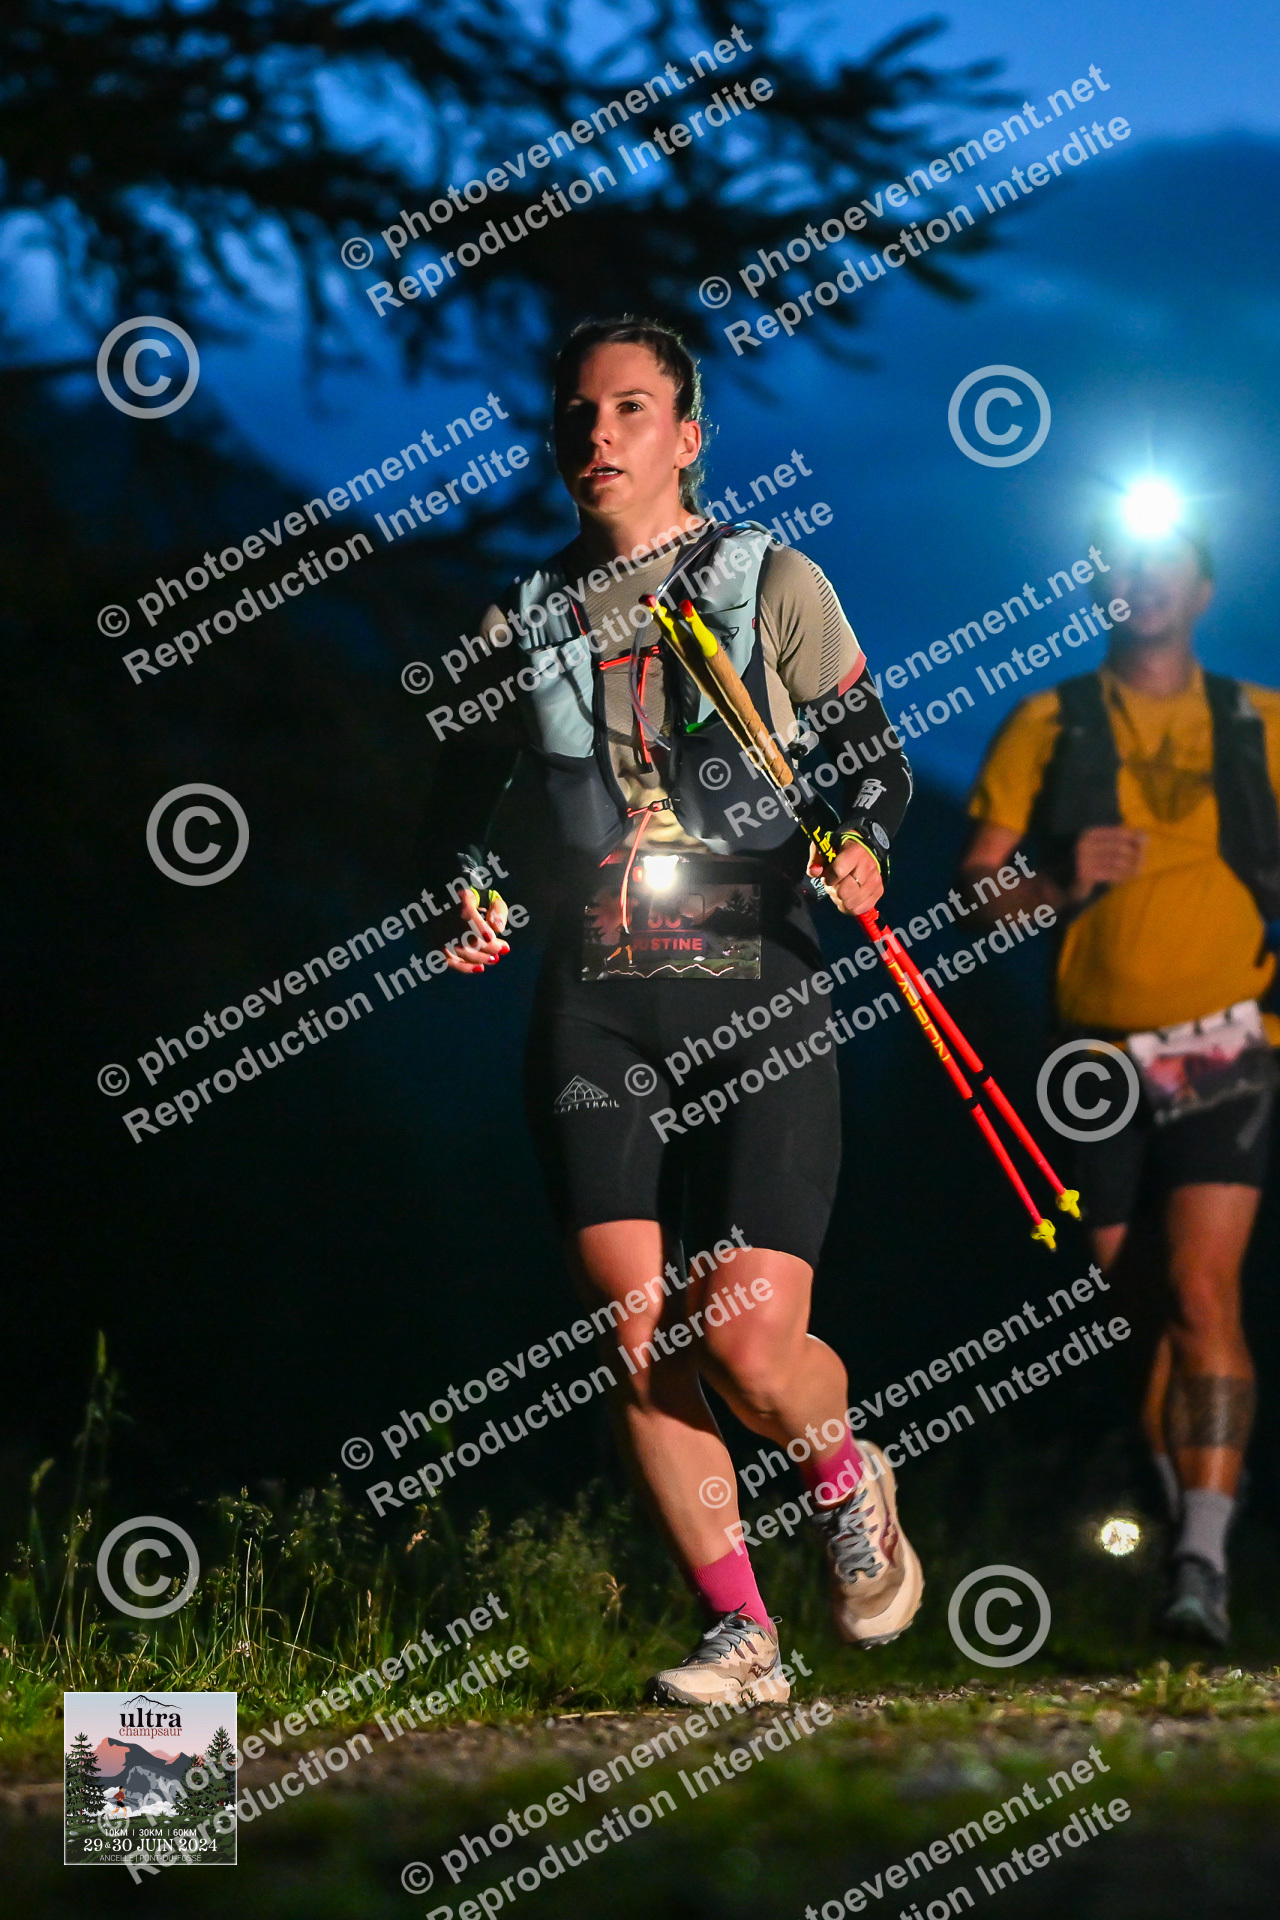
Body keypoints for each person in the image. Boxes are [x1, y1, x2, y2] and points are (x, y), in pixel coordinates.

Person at [422, 316, 922, 1706]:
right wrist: (463, 893)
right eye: (577, 414)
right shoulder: (518, 619)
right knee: (635, 1333)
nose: (597, 435)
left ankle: (845, 1476)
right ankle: (741, 1635)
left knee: (744, 1343)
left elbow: (875, 763)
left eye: (631, 409)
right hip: (596, 994)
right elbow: (462, 810)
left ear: (687, 436)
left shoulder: (773, 581)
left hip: (754, 976)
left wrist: (863, 843)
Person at [960, 494, 1280, 1644]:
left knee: (1199, 1291)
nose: (1142, 584)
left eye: (1164, 566)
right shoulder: (1046, 720)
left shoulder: (1260, 720)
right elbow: (976, 889)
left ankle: (1199, 1560)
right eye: (1123, 566)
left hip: (1222, 1044)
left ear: (1202, 590)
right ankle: (1183, 1508)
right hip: (1089, 1064)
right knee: (1138, 1316)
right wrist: (1053, 876)